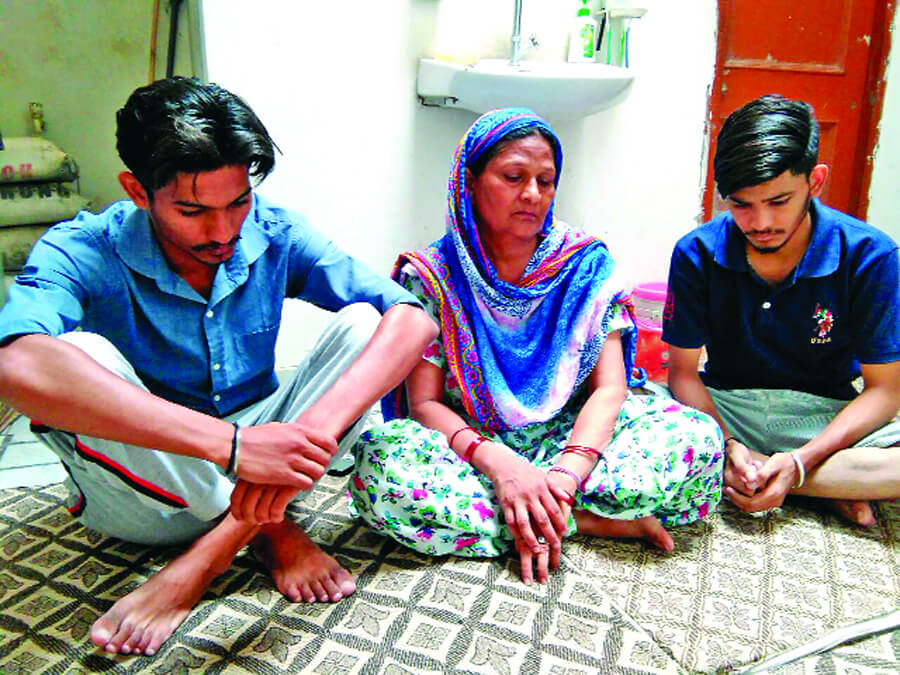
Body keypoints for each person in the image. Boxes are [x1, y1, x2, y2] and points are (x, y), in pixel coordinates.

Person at [0, 77, 437, 656]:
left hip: (268, 464)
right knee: (77, 355)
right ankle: (269, 527)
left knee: (366, 323)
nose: (223, 231)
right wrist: (232, 446)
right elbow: (15, 365)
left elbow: (414, 319)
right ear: (136, 190)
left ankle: (211, 553)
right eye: (192, 210)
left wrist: (292, 442)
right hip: (151, 490)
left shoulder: (275, 232)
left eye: (238, 202)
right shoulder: (82, 248)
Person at [347, 108, 724, 585]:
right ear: (470, 182)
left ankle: (538, 515)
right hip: (475, 446)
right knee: (380, 463)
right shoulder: (431, 276)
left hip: (571, 437)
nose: (532, 195)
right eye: (513, 177)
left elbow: (610, 390)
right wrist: (503, 467)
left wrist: (565, 475)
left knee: (696, 437)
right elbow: (423, 404)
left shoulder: (584, 263)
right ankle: (585, 521)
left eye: (545, 181)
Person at [663, 94, 900, 527]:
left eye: (778, 201)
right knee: (633, 416)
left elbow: (885, 392)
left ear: (816, 182)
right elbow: (681, 373)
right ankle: (828, 484)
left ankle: (769, 477)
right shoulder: (695, 252)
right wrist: (731, 444)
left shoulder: (872, 255)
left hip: (825, 416)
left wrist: (801, 462)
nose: (759, 222)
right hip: (727, 410)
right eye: (741, 204)